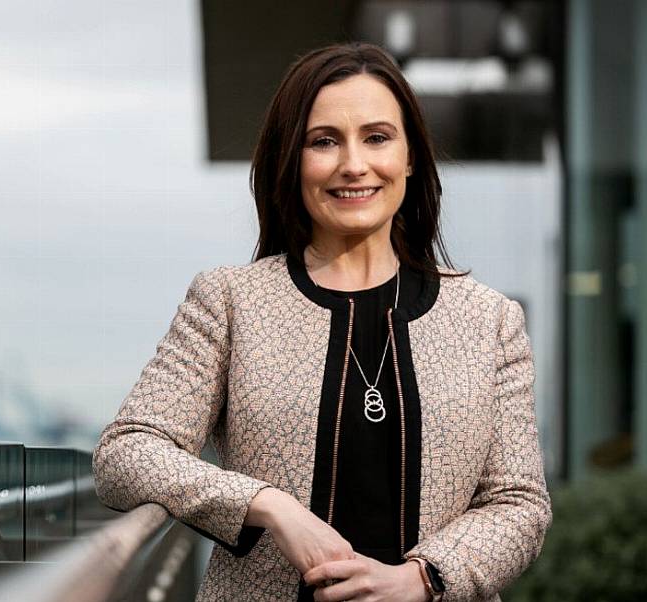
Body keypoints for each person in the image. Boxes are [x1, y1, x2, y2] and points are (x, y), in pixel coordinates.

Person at [92, 42, 551, 602]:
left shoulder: (489, 319)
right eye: (324, 141)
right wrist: (269, 506)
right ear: (293, 159)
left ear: (409, 157)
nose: (354, 164)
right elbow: (127, 452)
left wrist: (422, 579)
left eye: (377, 138)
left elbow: (518, 503)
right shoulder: (230, 301)